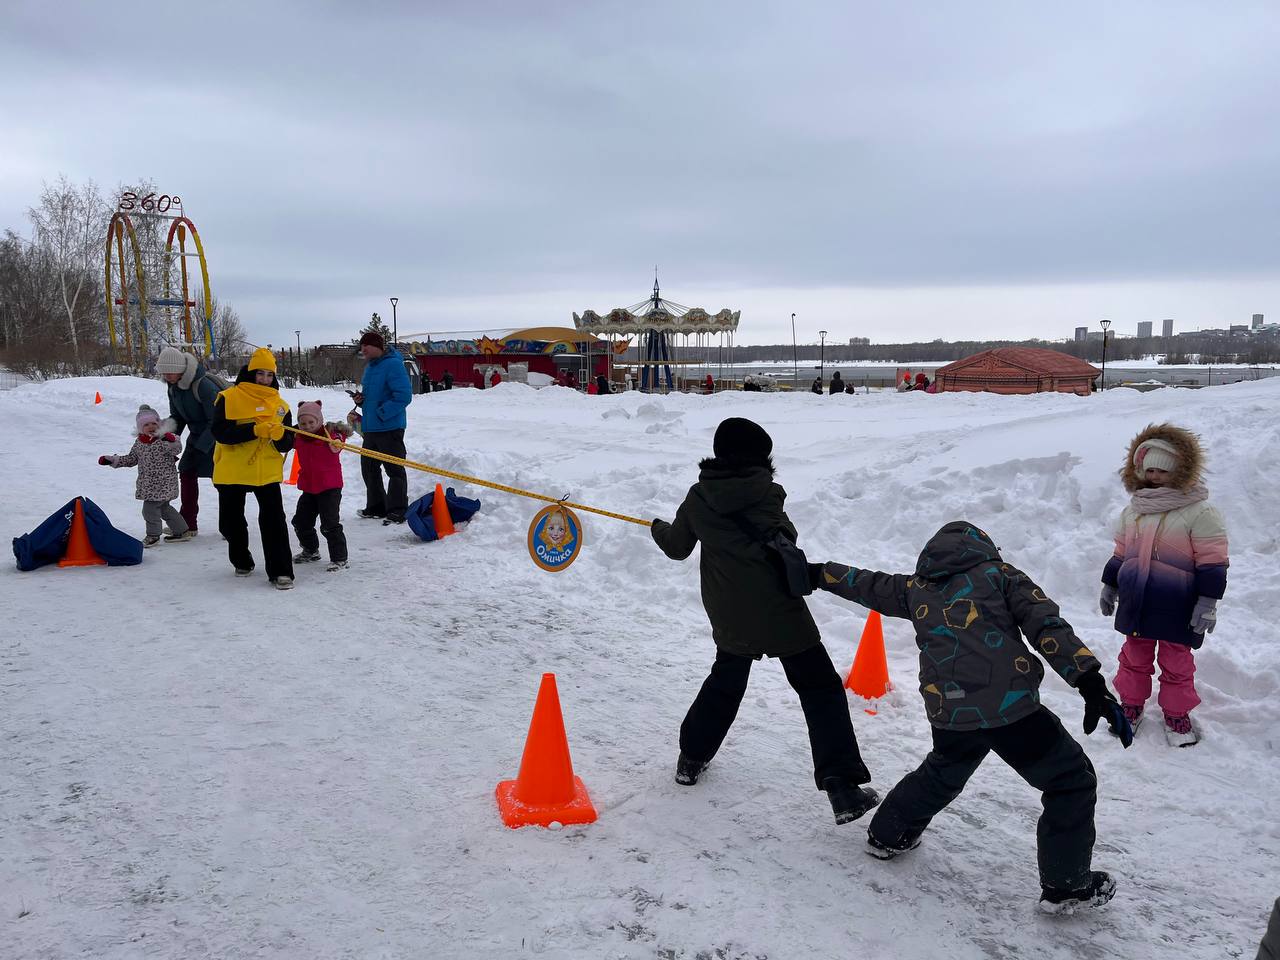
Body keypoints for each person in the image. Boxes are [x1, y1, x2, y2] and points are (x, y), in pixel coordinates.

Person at [812, 521, 1128, 913]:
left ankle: (888, 835)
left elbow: (863, 583)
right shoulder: (1002, 576)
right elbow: (1047, 625)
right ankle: (1067, 887)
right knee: (1070, 781)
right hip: (1010, 708)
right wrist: (1089, 680)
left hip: (949, 709)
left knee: (944, 769)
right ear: (983, 549)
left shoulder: (915, 587)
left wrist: (814, 572)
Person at [649, 417, 879, 825]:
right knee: (820, 688)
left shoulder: (698, 498)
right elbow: (785, 538)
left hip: (731, 612)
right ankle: (842, 788)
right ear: (759, 457)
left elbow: (677, 548)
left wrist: (657, 528)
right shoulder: (769, 494)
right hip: (780, 611)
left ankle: (691, 759)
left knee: (725, 681)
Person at [1099, 424, 1229, 747]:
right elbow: (1121, 553)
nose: (1154, 476)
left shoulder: (1200, 511)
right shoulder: (1134, 510)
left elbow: (1212, 561)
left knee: (1177, 663)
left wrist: (1207, 601)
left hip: (1178, 605)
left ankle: (1176, 712)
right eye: (1149, 470)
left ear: (1178, 470)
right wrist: (1110, 585)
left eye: (1162, 470)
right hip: (1137, 601)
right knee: (1133, 657)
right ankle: (1131, 705)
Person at [211, 347, 296, 589]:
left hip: (265, 470)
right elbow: (220, 433)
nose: (265, 379)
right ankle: (241, 560)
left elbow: (287, 443)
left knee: (274, 521)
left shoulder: (281, 406)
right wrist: (253, 430)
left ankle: (281, 571)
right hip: (232, 469)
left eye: (270, 375)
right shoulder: (228, 398)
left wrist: (282, 436)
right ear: (250, 372)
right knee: (230, 521)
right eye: (261, 374)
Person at [98, 404, 191, 547]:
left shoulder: (164, 439)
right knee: (164, 508)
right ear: (140, 428)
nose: (151, 426)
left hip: (164, 483)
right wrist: (112, 460)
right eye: (146, 424)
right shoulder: (139, 443)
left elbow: (176, 449)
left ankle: (153, 535)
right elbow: (132, 459)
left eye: (154, 423)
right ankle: (182, 530)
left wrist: (170, 440)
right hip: (149, 483)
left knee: (149, 510)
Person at [154, 346, 221, 535]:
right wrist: (163, 434)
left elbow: (216, 421)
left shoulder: (204, 386)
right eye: (163, 372)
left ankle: (232, 525)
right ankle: (187, 524)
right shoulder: (173, 387)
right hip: (197, 436)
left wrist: (202, 448)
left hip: (218, 439)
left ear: (181, 369)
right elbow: (178, 417)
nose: (166, 376)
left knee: (223, 482)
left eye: (170, 372)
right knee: (186, 472)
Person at [351, 332, 413, 525]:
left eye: (365, 347)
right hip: (371, 428)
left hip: (389, 427)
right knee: (369, 468)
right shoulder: (370, 367)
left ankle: (397, 510)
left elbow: (403, 396)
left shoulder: (393, 364)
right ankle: (377, 507)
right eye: (361, 348)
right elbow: (376, 396)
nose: (363, 351)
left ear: (377, 346)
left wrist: (381, 413)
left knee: (394, 469)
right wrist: (361, 401)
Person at [291, 400, 352, 572]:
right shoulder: (298, 436)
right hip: (309, 487)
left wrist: (338, 442)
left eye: (311, 422)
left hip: (329, 487)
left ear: (319, 420)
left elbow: (338, 441)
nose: (308, 426)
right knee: (301, 522)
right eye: (303, 423)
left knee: (329, 524)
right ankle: (310, 550)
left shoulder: (328, 434)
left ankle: (339, 558)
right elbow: (284, 442)